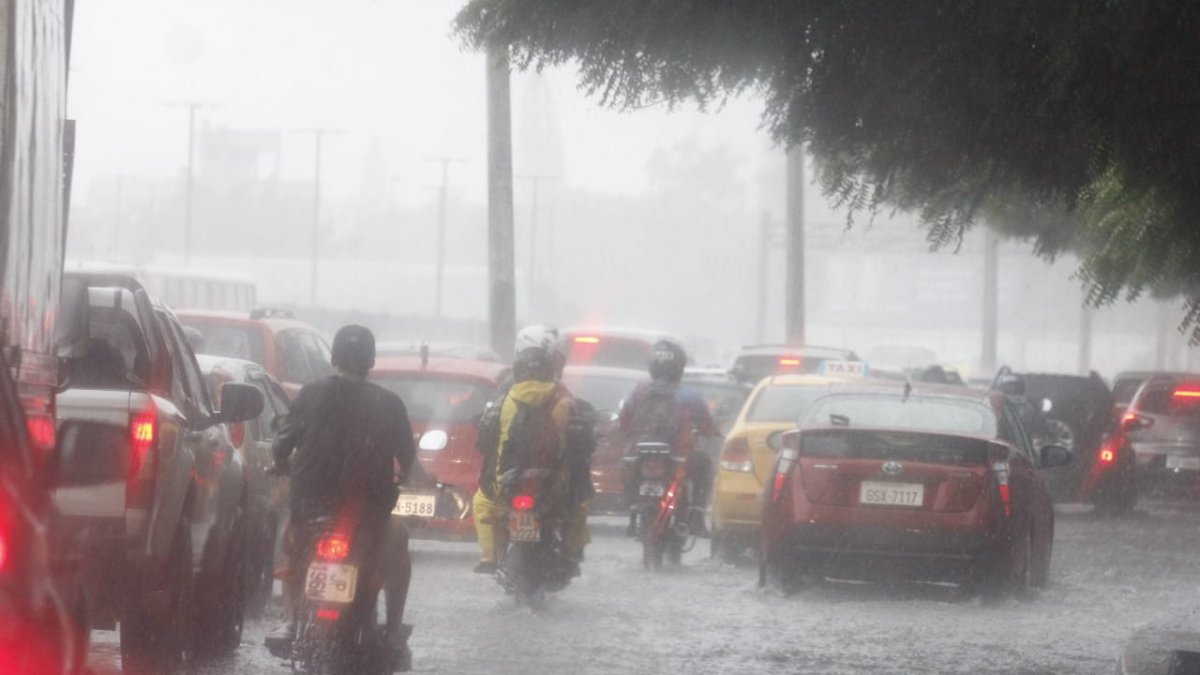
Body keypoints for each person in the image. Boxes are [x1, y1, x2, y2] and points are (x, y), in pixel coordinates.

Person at [267, 325, 415, 649]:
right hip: (369, 513)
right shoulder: (389, 404)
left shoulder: (310, 395)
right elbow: (408, 458)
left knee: (288, 542)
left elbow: (281, 446)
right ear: (371, 362)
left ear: (333, 358)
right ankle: (391, 630)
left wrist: (279, 464)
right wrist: (409, 476)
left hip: (311, 507)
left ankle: (290, 619)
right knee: (397, 544)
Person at [472, 329, 590, 576]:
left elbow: (485, 441)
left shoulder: (505, 397)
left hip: (507, 484)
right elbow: (580, 444)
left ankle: (491, 557)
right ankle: (569, 554)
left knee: (481, 503)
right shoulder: (563, 398)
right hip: (551, 486)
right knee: (578, 503)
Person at [620, 340, 719, 537]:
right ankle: (698, 517)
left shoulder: (638, 391)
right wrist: (711, 434)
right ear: (678, 367)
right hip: (678, 455)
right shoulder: (690, 395)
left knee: (626, 467)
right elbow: (707, 426)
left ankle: (632, 508)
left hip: (639, 453)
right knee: (705, 465)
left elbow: (624, 422)